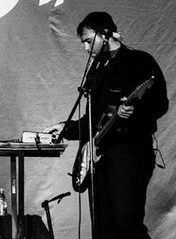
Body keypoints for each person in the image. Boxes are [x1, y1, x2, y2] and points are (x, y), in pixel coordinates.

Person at [44, 12, 168, 239]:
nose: (85, 48)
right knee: (102, 228)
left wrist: (134, 112)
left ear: (106, 34)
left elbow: (160, 104)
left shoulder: (139, 61)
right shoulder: (98, 70)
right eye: (83, 43)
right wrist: (65, 128)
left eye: (89, 41)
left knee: (127, 224)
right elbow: (93, 120)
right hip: (100, 159)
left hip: (129, 154)